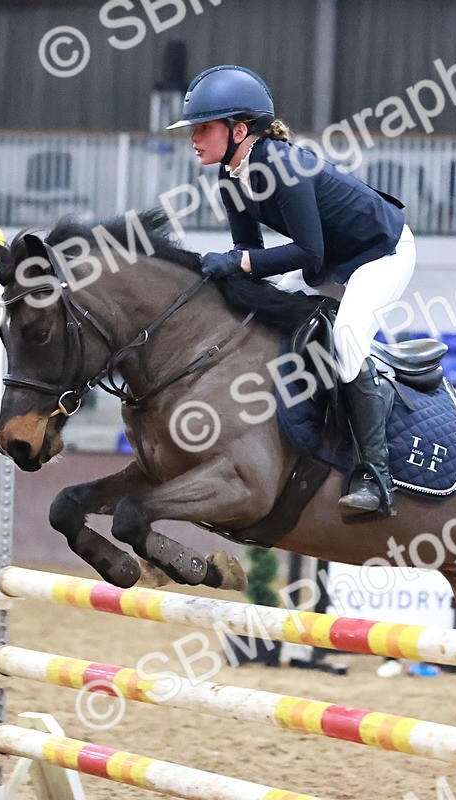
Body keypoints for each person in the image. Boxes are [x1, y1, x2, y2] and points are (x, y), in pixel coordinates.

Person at [168, 65, 416, 517]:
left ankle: (376, 478)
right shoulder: (231, 177)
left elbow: (305, 250)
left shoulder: (282, 165)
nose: (194, 137)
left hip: (381, 253)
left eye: (203, 127)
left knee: (347, 338)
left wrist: (236, 262)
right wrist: (222, 274)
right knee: (264, 315)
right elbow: (251, 251)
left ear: (238, 129)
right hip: (329, 261)